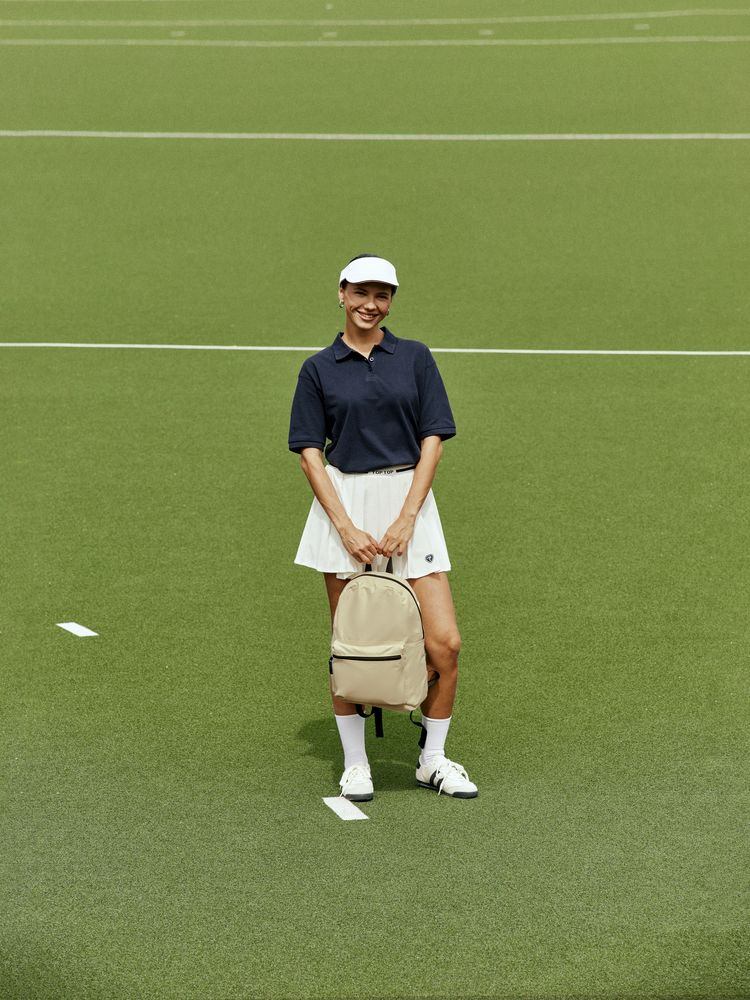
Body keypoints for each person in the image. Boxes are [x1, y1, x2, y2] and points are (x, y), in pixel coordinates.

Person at [288, 254, 478, 801]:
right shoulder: (317, 369)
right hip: (344, 506)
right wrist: (346, 528)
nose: (371, 304)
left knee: (445, 644)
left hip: (410, 505)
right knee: (352, 647)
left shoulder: (415, 357)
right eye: (361, 292)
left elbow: (432, 439)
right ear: (341, 293)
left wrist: (406, 517)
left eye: (382, 295)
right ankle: (355, 765)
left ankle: (432, 759)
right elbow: (310, 453)